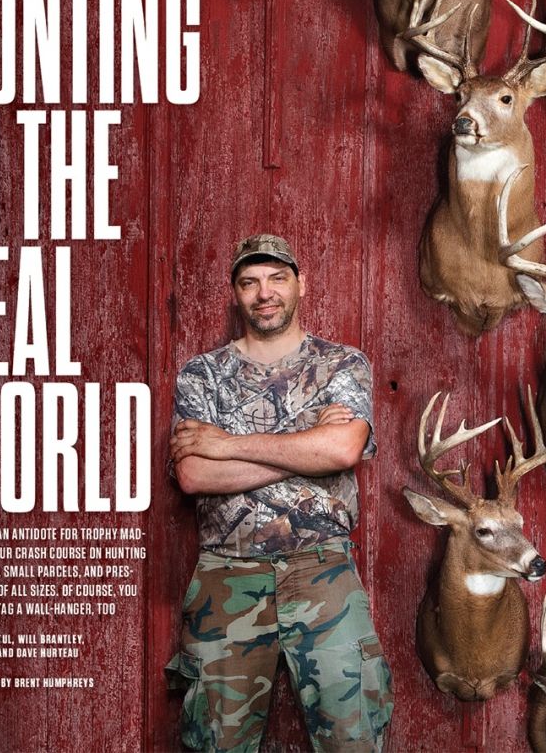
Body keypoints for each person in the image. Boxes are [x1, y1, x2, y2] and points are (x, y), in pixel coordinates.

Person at [165, 234, 391, 752]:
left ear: (300, 285)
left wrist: (227, 444)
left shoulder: (342, 364)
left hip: (323, 571)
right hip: (226, 576)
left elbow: (341, 450)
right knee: (216, 741)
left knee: (353, 735)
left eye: (276, 278)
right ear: (236, 293)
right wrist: (304, 446)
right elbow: (194, 474)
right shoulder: (202, 375)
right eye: (250, 282)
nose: (264, 293)